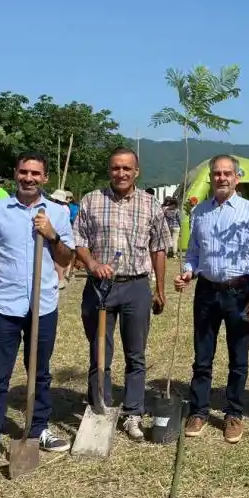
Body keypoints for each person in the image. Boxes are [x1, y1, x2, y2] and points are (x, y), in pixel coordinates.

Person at [0, 151, 75, 473]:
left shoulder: (57, 212)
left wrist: (52, 234)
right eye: (24, 172)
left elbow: (66, 259)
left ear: (45, 178)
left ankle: (38, 428)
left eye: (35, 173)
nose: (28, 178)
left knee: (39, 371)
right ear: (16, 173)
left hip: (43, 306)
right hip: (3, 305)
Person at [73, 147, 171, 442]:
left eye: (127, 168)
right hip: (99, 288)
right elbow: (79, 240)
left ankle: (133, 413)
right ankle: (100, 408)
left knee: (135, 354)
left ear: (136, 172)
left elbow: (159, 247)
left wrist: (160, 288)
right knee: (99, 352)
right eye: (116, 168)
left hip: (136, 286)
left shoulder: (150, 204)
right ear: (109, 170)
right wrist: (91, 264)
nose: (121, 173)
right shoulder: (92, 200)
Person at [175, 155, 249, 444]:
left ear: (237, 177)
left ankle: (233, 413)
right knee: (202, 357)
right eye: (217, 173)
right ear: (211, 177)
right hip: (206, 291)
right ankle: (199, 411)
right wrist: (188, 272)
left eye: (227, 173)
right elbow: (193, 252)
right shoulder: (199, 212)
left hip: (239, 292)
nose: (222, 178)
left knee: (238, 359)